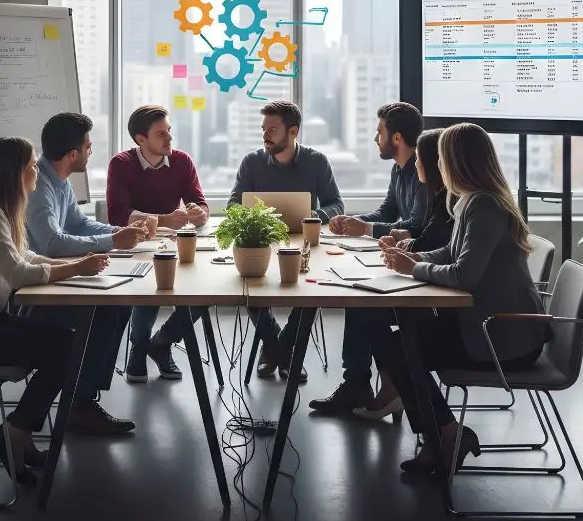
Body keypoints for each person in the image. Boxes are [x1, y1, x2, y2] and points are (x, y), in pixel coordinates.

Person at [0, 136, 110, 485]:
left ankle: (17, 433)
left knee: (65, 343)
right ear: (13, 174)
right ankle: (15, 433)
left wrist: (71, 261)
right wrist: (74, 269)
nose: (36, 175)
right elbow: (16, 273)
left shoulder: (1, 211)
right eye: (30, 168)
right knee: (65, 347)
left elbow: (23, 259)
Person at [367, 122, 547, 476]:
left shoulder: (486, 207)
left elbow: (466, 274)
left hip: (504, 338)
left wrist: (413, 269)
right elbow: (452, 252)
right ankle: (444, 435)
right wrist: (414, 260)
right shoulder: (473, 201)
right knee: (401, 340)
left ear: (455, 162)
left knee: (401, 347)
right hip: (486, 324)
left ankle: (444, 435)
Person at [310, 126, 453, 416]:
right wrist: (356, 221)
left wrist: (404, 246)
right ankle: (368, 385)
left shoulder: (443, 195)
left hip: (446, 303)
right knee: (361, 302)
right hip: (428, 276)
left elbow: (420, 228)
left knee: (364, 306)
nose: (376, 139)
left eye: (379, 132)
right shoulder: (402, 174)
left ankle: (379, 387)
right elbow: (397, 217)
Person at [26, 112, 148, 436]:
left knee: (118, 305)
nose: (90, 152)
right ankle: (79, 404)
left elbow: (78, 224)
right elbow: (51, 242)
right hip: (33, 295)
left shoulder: (58, 180)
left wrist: (120, 231)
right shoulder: (38, 186)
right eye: (88, 147)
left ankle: (82, 398)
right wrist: (112, 240)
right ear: (72, 154)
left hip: (53, 278)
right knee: (108, 310)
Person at [228, 100, 344, 383]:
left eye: (273, 129)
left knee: (314, 291)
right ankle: (279, 347)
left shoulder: (316, 161)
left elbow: (336, 205)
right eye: (263, 129)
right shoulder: (252, 162)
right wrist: (255, 218)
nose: (265, 135)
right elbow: (233, 204)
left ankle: (280, 347)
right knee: (249, 284)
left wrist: (316, 214)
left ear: (293, 132)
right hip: (263, 241)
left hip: (306, 243)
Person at [105, 105, 209, 384]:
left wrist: (200, 212)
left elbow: (199, 203)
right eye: (160, 134)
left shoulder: (182, 161)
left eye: (169, 131)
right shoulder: (121, 164)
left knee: (204, 295)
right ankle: (138, 351)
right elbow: (117, 215)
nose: (169, 139)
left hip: (172, 245)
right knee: (148, 290)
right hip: (134, 246)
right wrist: (163, 220)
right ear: (141, 139)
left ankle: (161, 343)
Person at [327, 102, 425, 239]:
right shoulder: (397, 169)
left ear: (397, 138)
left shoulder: (424, 173)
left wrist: (366, 228)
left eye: (380, 132)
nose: (375, 139)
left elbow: (416, 226)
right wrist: (351, 221)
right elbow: (387, 213)